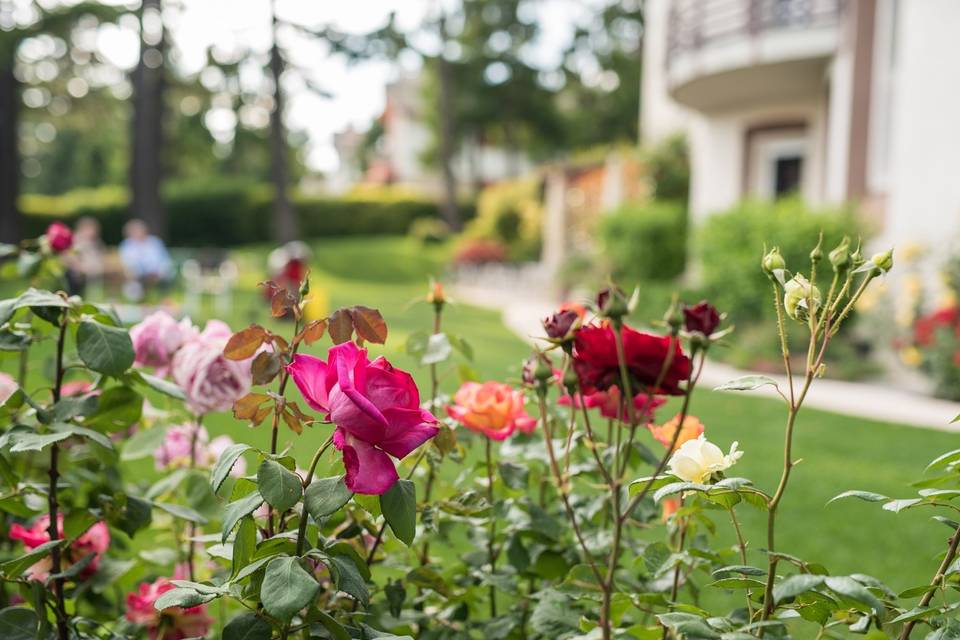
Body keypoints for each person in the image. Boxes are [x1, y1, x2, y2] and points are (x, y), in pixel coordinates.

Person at [119, 219, 173, 301]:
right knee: (133, 282)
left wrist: (157, 272)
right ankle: (138, 302)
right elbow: (126, 262)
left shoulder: (155, 242)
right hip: (137, 275)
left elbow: (164, 260)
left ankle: (163, 301)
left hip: (157, 274)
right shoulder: (127, 245)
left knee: (166, 274)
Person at [65, 217, 105, 296]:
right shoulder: (75, 240)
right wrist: (82, 267)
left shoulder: (97, 243)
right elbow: (70, 257)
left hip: (89, 277)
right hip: (74, 277)